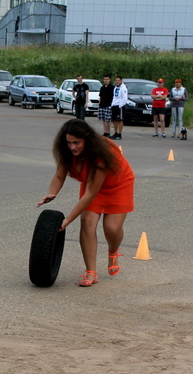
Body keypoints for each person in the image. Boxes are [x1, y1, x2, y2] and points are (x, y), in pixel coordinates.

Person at [37, 119, 135, 287]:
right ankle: (91, 272)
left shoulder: (102, 154)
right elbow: (59, 175)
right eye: (69, 142)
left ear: (87, 140)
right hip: (92, 185)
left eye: (77, 143)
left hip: (118, 185)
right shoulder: (66, 151)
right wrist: (52, 192)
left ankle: (113, 252)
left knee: (112, 228)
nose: (72, 147)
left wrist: (67, 220)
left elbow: (90, 195)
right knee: (87, 222)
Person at [111, 76, 127, 140]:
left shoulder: (123, 88)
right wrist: (112, 104)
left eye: (118, 80)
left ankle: (119, 134)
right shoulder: (115, 87)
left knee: (120, 120)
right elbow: (114, 96)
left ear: (121, 81)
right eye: (116, 80)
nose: (117, 81)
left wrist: (120, 105)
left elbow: (125, 98)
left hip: (119, 106)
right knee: (114, 120)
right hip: (114, 105)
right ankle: (115, 133)